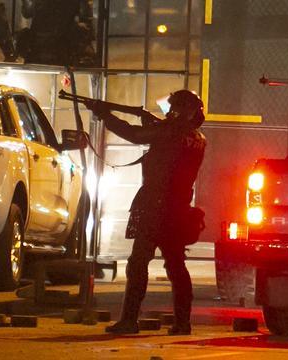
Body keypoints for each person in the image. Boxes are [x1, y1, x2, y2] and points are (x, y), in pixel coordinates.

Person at [85, 90, 207, 335]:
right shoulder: (197, 137)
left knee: (138, 264)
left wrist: (105, 115)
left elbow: (133, 135)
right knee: (176, 266)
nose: (169, 111)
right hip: (178, 208)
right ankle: (183, 323)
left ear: (184, 109)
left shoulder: (170, 131)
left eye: (173, 107)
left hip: (156, 208)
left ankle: (129, 320)